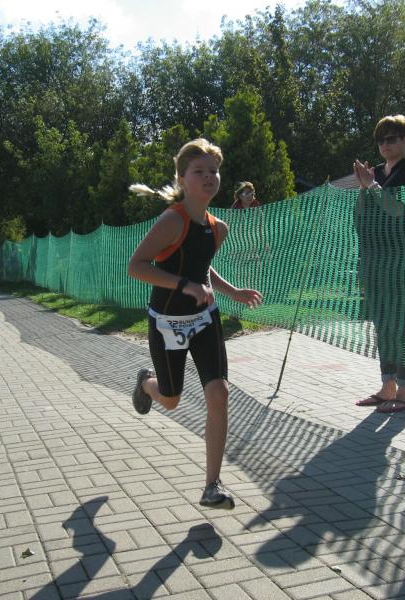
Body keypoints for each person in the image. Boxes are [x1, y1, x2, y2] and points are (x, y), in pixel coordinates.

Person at [127, 138, 263, 508]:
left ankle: (212, 485)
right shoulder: (173, 220)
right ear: (182, 178)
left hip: (204, 319)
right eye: (198, 171)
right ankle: (146, 384)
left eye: (213, 171)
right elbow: (137, 266)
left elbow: (203, 268)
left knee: (220, 394)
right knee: (171, 401)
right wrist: (183, 285)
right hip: (167, 323)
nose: (208, 177)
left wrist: (232, 291)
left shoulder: (218, 228)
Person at [352, 114, 405, 414]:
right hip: (374, 257)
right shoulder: (376, 173)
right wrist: (363, 188)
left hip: (401, 256)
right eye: (381, 140)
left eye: (392, 138)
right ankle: (388, 387)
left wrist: (371, 186)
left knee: (399, 320)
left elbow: (400, 210)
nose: (385, 144)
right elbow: (361, 215)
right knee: (382, 321)